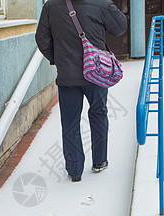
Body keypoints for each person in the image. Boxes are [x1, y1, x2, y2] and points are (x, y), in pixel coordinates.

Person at [35, 0, 127, 182]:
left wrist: (59, 60)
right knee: (99, 113)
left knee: (70, 122)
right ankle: (99, 161)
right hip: (97, 72)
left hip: (67, 77)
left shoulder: (50, 6)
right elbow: (120, 27)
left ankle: (75, 170)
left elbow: (42, 39)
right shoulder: (101, 3)